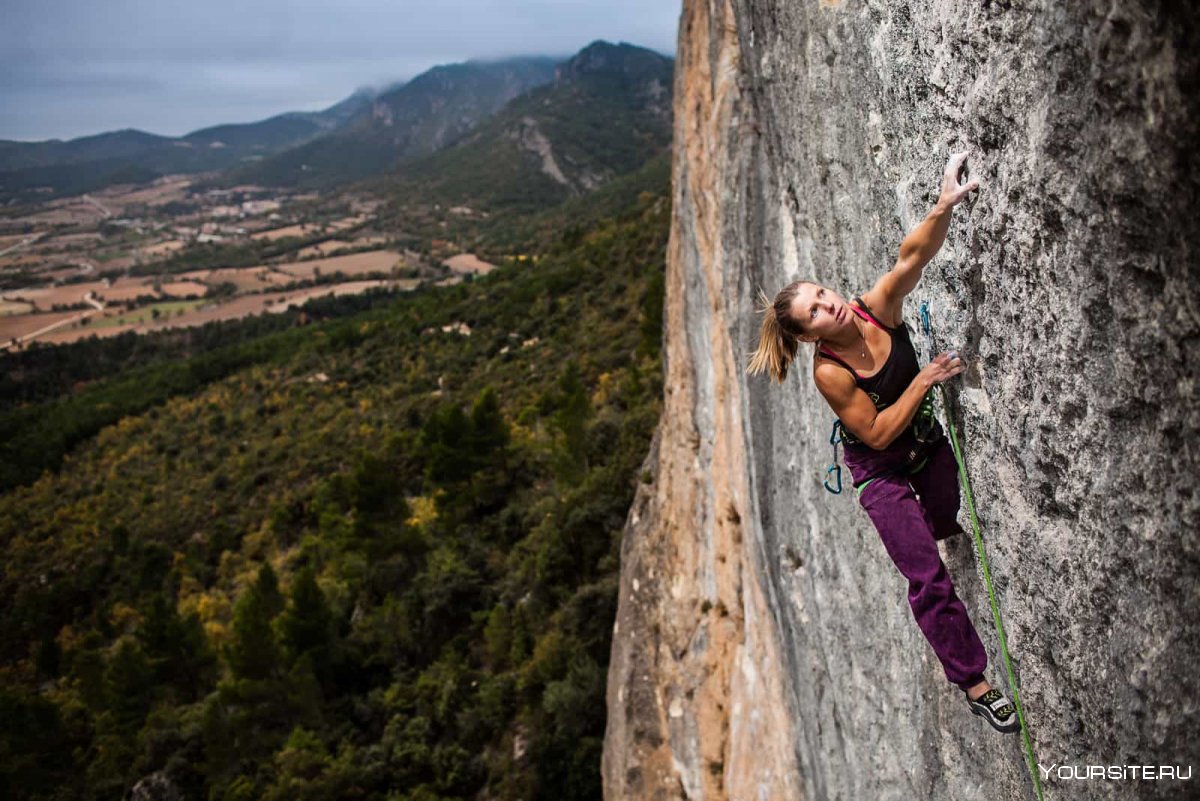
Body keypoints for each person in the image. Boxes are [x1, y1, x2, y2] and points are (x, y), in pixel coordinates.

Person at [745, 152, 1019, 734]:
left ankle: (940, 527)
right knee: (926, 576)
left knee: (946, 518)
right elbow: (874, 432)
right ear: (808, 334)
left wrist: (942, 206)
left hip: (923, 444)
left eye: (821, 293)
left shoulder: (877, 309)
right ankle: (976, 682)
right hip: (882, 473)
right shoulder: (830, 372)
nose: (828, 305)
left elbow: (911, 257)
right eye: (815, 312)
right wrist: (922, 379)